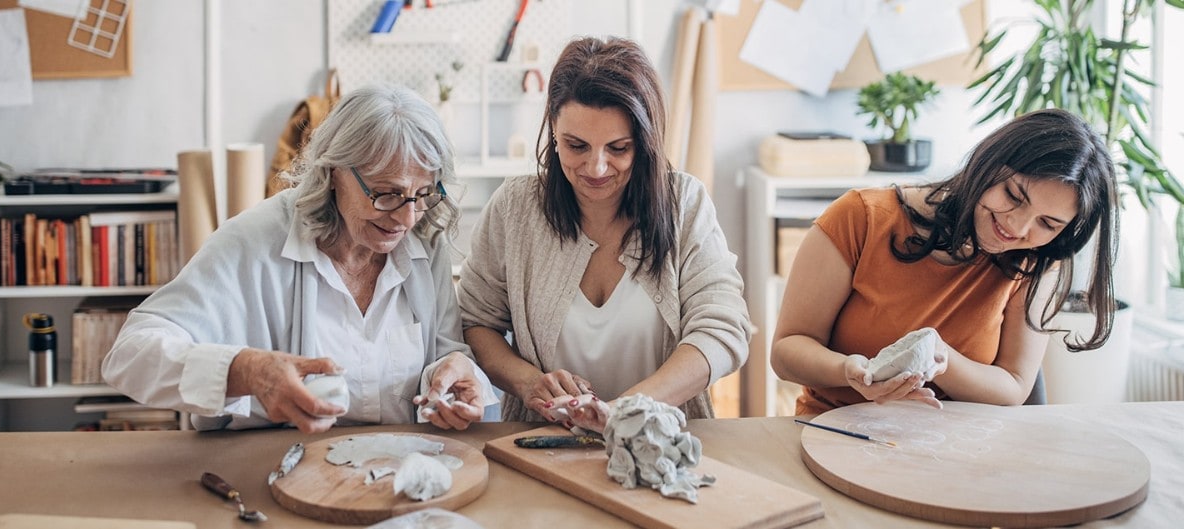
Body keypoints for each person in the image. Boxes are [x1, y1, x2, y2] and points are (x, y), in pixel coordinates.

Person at [103, 84, 496, 433]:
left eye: (423, 193)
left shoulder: (423, 239)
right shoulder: (253, 241)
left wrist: (455, 374)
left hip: (394, 475)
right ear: (334, 171)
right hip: (270, 473)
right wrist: (245, 371)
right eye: (386, 194)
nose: (407, 218)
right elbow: (130, 354)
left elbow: (446, 352)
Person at [457, 36, 751, 430]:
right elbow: (475, 322)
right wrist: (527, 383)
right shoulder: (515, 207)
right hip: (543, 443)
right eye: (576, 145)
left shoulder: (685, 203)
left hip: (659, 440)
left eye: (618, 148)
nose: (596, 168)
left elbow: (722, 330)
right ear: (553, 132)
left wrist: (625, 410)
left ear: (645, 144)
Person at [770, 108, 1119, 416]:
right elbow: (787, 351)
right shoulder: (862, 218)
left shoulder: (1036, 262)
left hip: (955, 446)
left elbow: (1014, 385)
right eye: (1013, 195)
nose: (1017, 227)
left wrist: (942, 360)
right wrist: (848, 371)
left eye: (1048, 223)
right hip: (836, 432)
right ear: (987, 162)